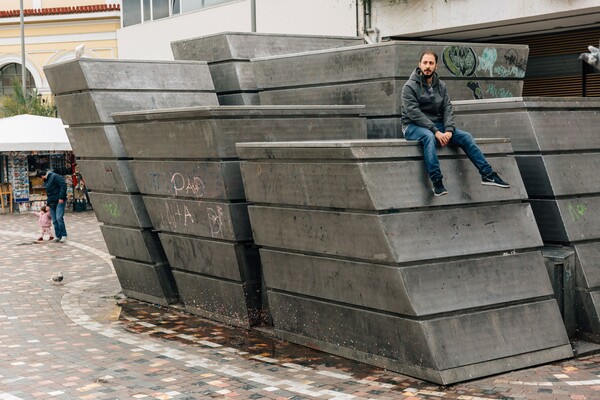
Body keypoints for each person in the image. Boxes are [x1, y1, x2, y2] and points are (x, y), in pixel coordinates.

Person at [400, 50, 510, 196]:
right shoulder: (409, 87)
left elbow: (447, 108)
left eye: (431, 63)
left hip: (437, 126)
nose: (427, 66)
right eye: (425, 63)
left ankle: (487, 174)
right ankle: (437, 181)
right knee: (428, 137)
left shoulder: (441, 86)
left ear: (436, 66)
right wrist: (436, 132)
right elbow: (414, 113)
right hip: (412, 126)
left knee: (466, 137)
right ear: (419, 64)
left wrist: (449, 131)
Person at [36, 170, 68, 243]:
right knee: (54, 220)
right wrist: (47, 204)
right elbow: (49, 193)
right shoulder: (46, 180)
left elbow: (63, 185)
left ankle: (64, 235)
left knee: (59, 218)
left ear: (42, 176)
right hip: (52, 202)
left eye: (40, 179)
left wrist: (61, 197)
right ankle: (58, 236)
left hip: (59, 200)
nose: (40, 180)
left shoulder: (54, 176)